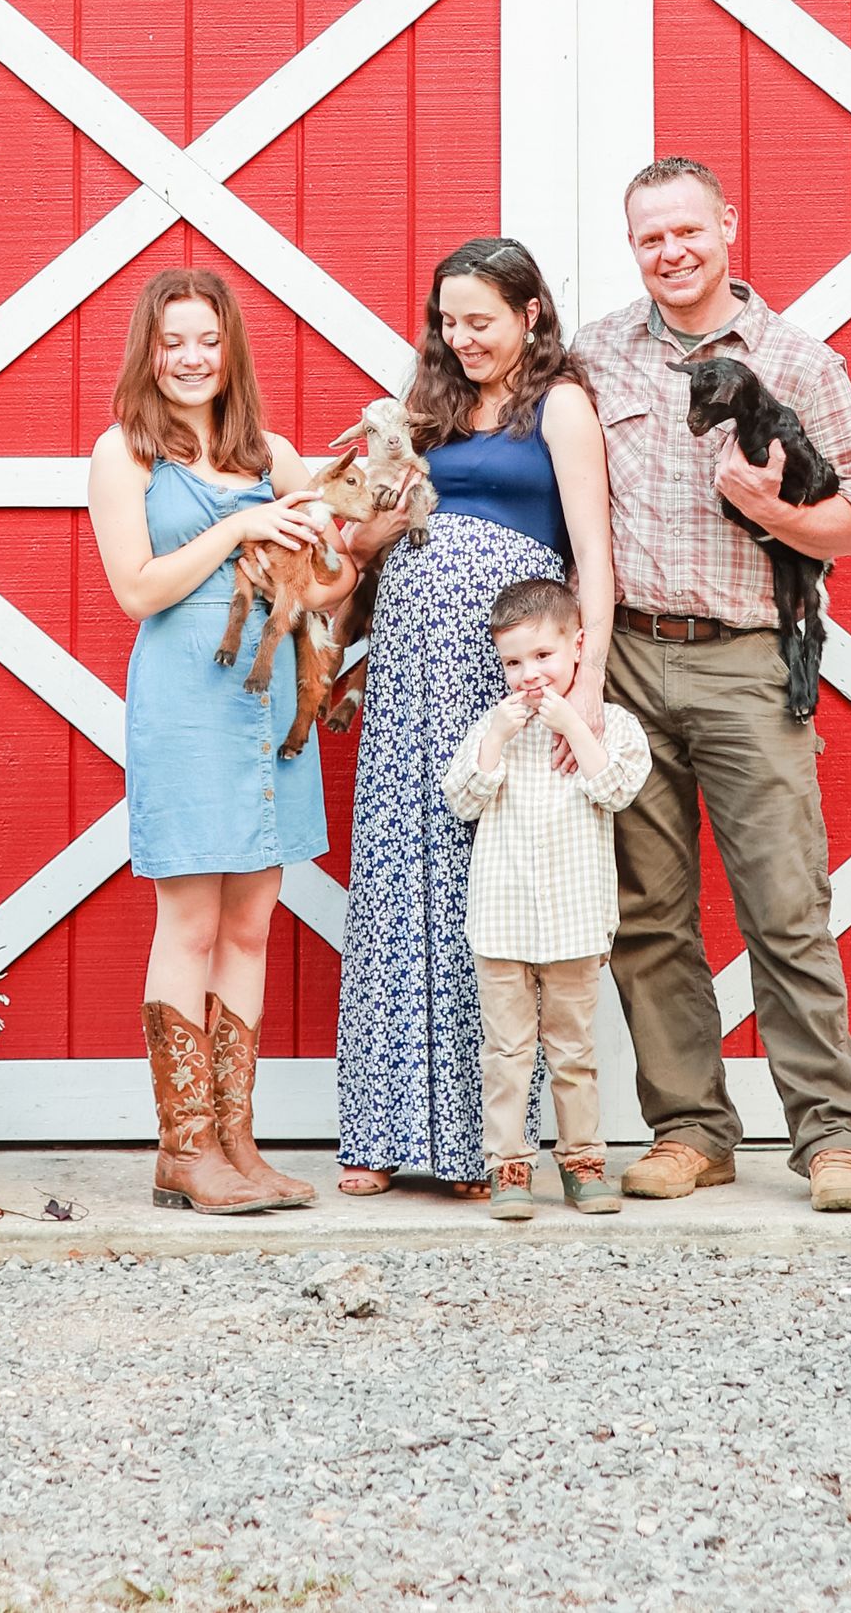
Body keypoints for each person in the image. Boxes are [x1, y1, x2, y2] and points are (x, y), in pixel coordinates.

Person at [572, 155, 851, 1214]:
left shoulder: (800, 362)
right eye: (650, 237)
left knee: (784, 903)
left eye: (686, 231)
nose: (670, 252)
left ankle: (831, 1135)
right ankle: (690, 1130)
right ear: (634, 247)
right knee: (648, 911)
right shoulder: (595, 356)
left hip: (747, 660)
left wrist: (773, 511)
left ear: (726, 228)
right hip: (623, 660)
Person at [331, 237, 615, 1196]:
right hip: (409, 664)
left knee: (481, 891)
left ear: (531, 313)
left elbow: (594, 557)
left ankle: (475, 1144)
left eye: (480, 321)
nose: (461, 340)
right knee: (392, 874)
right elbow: (364, 534)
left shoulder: (561, 405)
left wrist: (587, 685)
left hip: (500, 671)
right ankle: (380, 1130)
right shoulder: (427, 403)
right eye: (448, 322)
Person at [87, 265, 333, 1217]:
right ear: (149, 352)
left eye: (207, 340)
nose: (191, 358)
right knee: (189, 920)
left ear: (230, 350)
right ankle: (182, 1149)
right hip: (187, 696)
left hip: (271, 704)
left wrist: (325, 543)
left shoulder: (273, 454)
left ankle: (238, 1140)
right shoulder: (126, 455)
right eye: (172, 341)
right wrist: (241, 530)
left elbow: (326, 577)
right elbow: (138, 590)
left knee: (251, 922)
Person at [442, 573, 650, 1220]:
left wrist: (574, 726)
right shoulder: (491, 727)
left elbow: (617, 789)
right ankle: (509, 1169)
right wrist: (498, 738)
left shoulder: (609, 725)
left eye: (543, 656)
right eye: (513, 661)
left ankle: (584, 1163)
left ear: (578, 648)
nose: (529, 673)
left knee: (572, 1053)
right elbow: (461, 798)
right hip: (502, 922)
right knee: (506, 1055)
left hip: (576, 923)